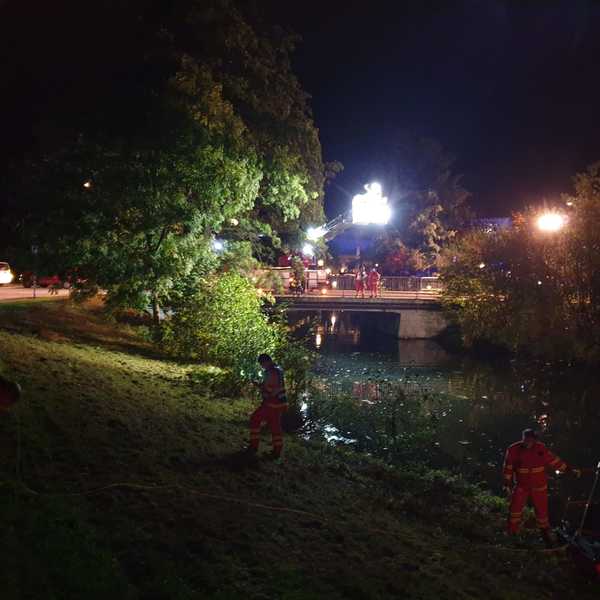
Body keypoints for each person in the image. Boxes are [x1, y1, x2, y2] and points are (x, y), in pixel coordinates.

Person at [503, 429, 580, 545]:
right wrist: (507, 482)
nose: (528, 442)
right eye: (526, 439)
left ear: (534, 440)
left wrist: (568, 470)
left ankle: (545, 534)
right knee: (515, 509)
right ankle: (512, 533)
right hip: (522, 485)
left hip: (539, 486)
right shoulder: (513, 449)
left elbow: (554, 461)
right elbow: (508, 467)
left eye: (531, 440)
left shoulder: (540, 448)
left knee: (542, 512)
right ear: (523, 438)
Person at [247, 354, 288, 459]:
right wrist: (260, 385)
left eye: (262, 364)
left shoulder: (271, 372)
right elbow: (272, 386)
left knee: (254, 419)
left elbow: (271, 389)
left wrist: (260, 387)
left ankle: (253, 446)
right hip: (279, 404)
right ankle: (277, 451)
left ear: (267, 362)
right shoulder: (278, 370)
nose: (262, 366)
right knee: (275, 427)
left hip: (272, 404)